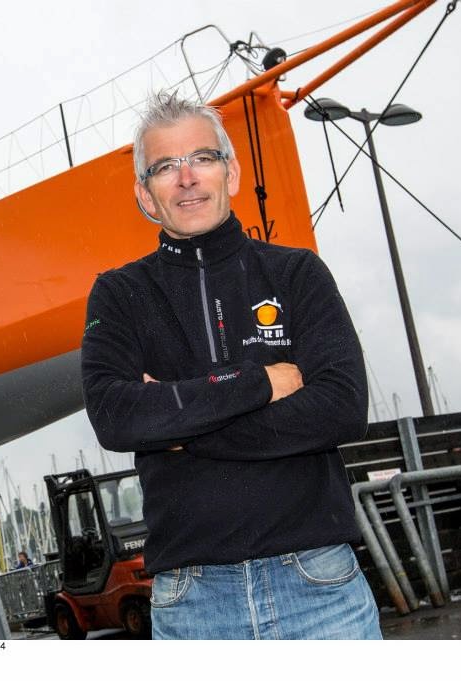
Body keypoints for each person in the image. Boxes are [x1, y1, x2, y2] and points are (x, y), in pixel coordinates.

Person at [80, 92, 380, 640]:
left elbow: (341, 409)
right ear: (145, 194)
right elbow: (117, 418)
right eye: (165, 166)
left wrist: (182, 428)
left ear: (232, 173)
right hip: (194, 605)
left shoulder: (298, 274)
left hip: (320, 589)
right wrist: (261, 382)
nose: (186, 177)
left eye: (202, 158)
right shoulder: (119, 295)